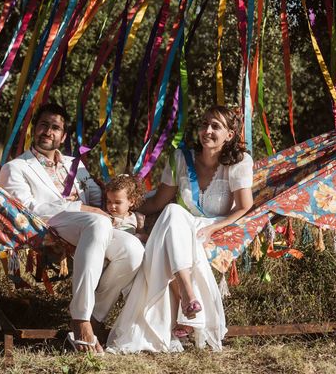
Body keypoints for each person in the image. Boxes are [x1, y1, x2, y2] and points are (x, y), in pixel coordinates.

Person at [107, 105, 254, 353]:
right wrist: (128, 209)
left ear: (230, 134)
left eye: (215, 126)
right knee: (174, 212)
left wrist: (214, 228)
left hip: (210, 226)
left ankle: (180, 309)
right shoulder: (180, 158)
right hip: (180, 224)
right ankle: (187, 294)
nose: (207, 130)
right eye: (204, 124)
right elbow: (158, 202)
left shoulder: (239, 162)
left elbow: (244, 207)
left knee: (169, 228)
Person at [0, 103, 144, 354]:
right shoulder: (16, 167)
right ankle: (80, 320)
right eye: (44, 125)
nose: (48, 131)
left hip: (92, 227)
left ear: (63, 136)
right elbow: (25, 209)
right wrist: (85, 209)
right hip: (50, 225)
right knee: (98, 222)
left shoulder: (74, 164)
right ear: (35, 129)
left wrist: (127, 210)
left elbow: (97, 195)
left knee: (133, 250)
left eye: (55, 127)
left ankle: (96, 317)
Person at [105, 174, 148, 243]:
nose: (112, 206)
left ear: (131, 202)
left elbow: (144, 237)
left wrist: (139, 235)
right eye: (109, 201)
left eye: (117, 202)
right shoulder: (106, 217)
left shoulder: (136, 218)